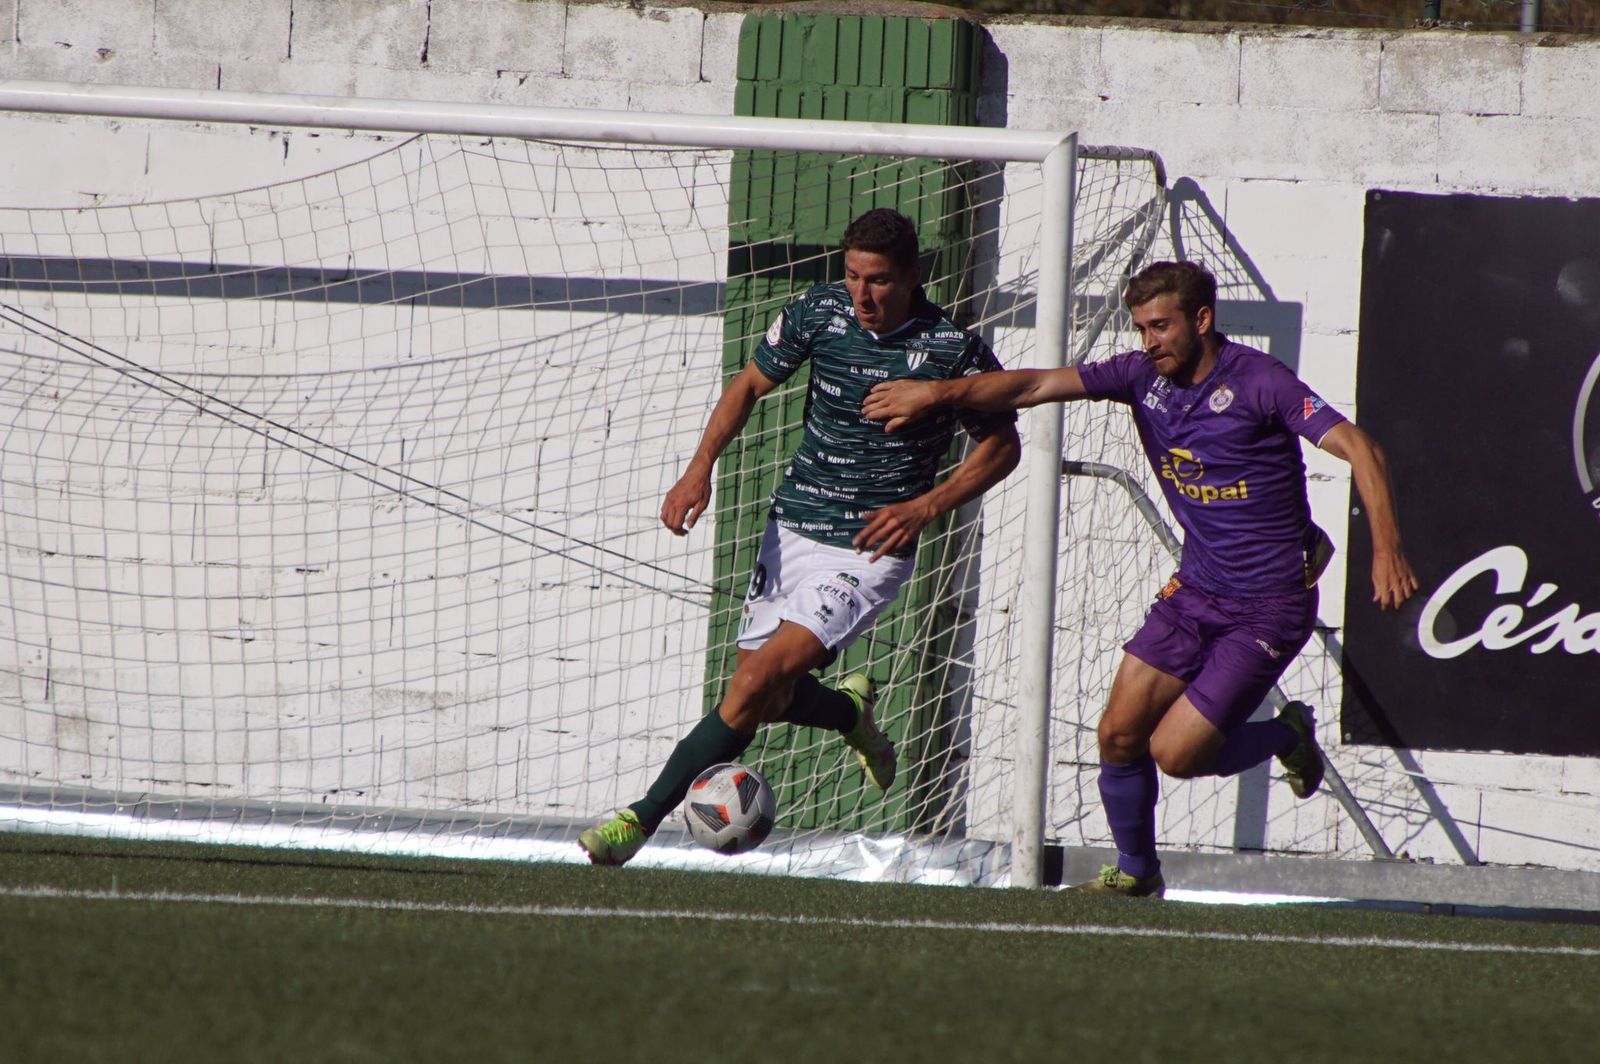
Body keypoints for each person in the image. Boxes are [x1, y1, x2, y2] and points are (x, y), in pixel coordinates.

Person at [862, 260, 1418, 897]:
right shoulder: (1137, 376)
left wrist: (1386, 551)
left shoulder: (1259, 381)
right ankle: (1137, 873)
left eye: (1160, 326)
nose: (1148, 341)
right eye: (1140, 328)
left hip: (1268, 607)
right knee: (1119, 735)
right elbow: (1033, 387)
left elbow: (1360, 449)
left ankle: (1285, 734)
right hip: (1196, 591)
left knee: (1177, 756)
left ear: (1201, 320)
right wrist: (937, 393)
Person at [579, 208, 1022, 866]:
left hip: (870, 548)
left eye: (878, 281)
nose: (862, 295)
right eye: (851, 277)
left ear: (912, 277)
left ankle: (639, 821)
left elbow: (1003, 448)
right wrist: (699, 469)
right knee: (766, 695)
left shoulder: (950, 350)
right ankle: (848, 714)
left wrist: (925, 507)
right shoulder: (820, 312)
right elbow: (751, 384)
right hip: (791, 530)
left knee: (755, 681)